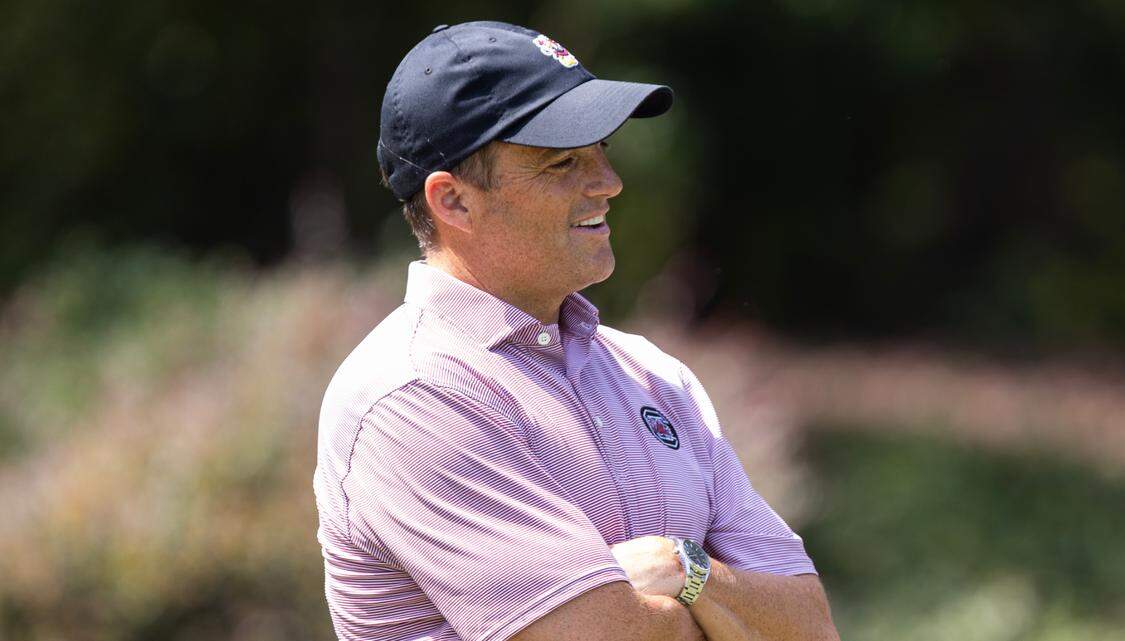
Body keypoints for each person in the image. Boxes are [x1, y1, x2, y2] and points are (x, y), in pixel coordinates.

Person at [313, 20, 839, 641]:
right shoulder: (407, 400)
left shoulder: (655, 375)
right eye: (562, 162)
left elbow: (810, 627)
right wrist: (724, 613)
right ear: (452, 201)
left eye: (602, 152)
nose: (608, 183)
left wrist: (682, 568)